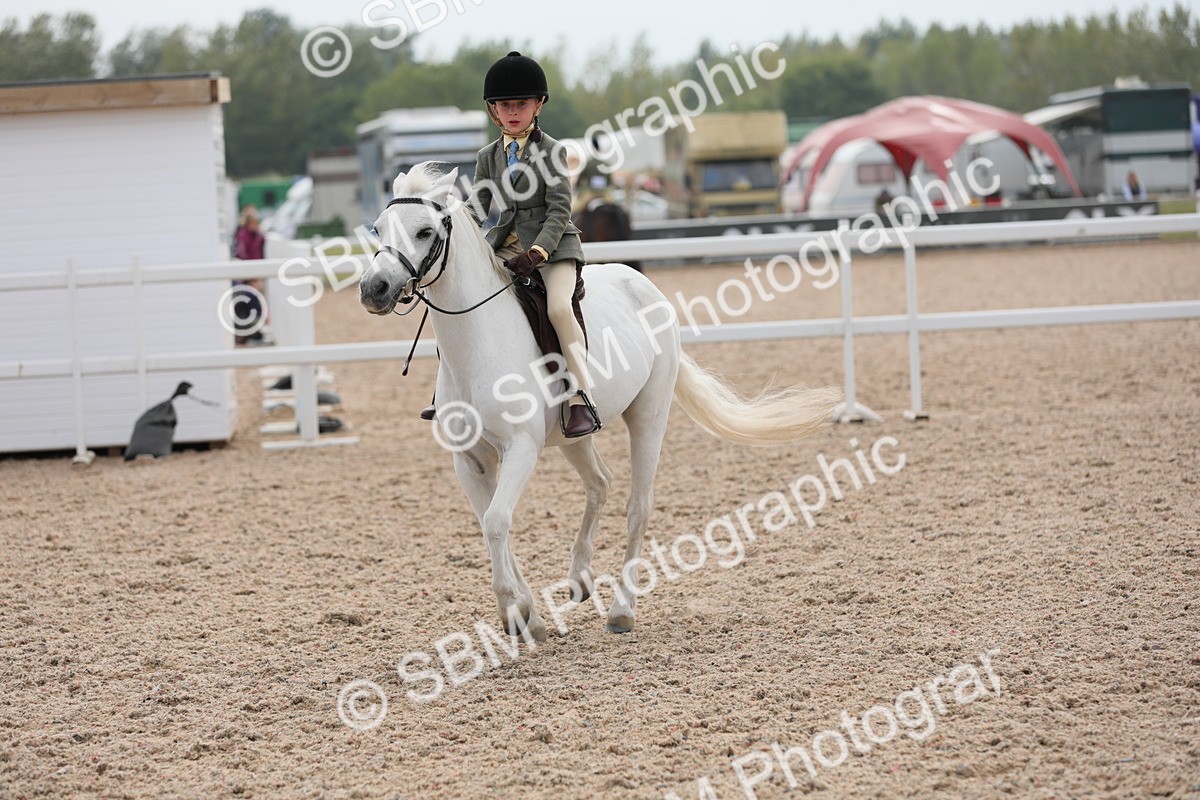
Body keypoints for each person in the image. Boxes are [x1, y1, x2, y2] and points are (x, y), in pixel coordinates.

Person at [425, 51, 599, 438]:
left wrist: (538, 252)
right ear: (494, 111)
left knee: (557, 308)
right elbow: (478, 208)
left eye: (522, 103)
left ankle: (579, 397)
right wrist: (446, 219)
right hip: (505, 248)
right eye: (506, 105)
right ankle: (447, 391)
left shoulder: (553, 152)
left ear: (538, 105)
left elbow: (559, 211)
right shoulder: (487, 156)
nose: (513, 111)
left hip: (553, 249)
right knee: (457, 299)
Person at [232, 206, 267, 345]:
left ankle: (254, 331)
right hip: (247, 277)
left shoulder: (257, 236)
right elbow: (243, 256)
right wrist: (251, 277)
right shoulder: (243, 236)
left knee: (255, 303)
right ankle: (246, 333)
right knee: (248, 303)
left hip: (255, 274)